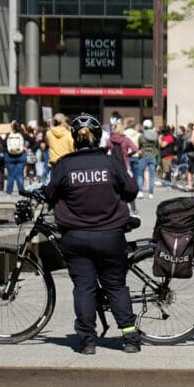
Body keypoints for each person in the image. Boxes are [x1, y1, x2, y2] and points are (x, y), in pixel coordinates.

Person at [42, 113, 141, 355]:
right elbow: (131, 191)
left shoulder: (64, 165)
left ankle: (87, 341)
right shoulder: (111, 163)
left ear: (74, 138)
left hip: (75, 237)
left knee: (84, 287)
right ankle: (129, 338)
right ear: (97, 138)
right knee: (116, 286)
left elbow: (49, 194)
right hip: (110, 235)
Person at [137, 119, 160, 200]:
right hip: (153, 156)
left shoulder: (142, 136)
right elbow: (157, 145)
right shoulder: (156, 135)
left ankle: (140, 192)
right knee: (152, 175)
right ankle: (151, 193)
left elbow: (139, 145)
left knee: (140, 174)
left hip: (143, 156)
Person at [4, 121, 28, 196]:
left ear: (12, 127)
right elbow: (34, 141)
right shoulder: (23, 134)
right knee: (19, 174)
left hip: (10, 156)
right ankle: (21, 192)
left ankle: (9, 193)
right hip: (21, 156)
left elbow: (3, 144)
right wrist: (26, 148)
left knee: (10, 175)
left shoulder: (8, 135)